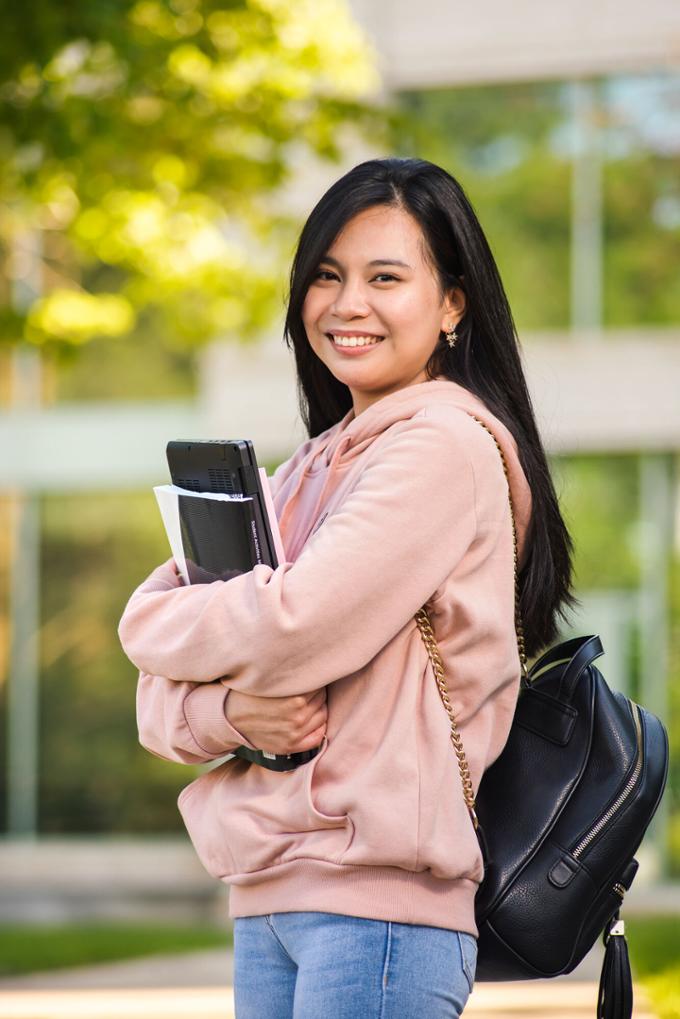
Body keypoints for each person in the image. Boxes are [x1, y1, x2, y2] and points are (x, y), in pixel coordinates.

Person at [118, 156, 576, 1018]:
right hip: (272, 896)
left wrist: (165, 629)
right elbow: (151, 686)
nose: (347, 303)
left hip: (379, 910)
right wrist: (232, 716)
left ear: (453, 304)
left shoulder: (440, 446)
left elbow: (288, 624)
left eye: (385, 277)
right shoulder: (312, 464)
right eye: (326, 276)